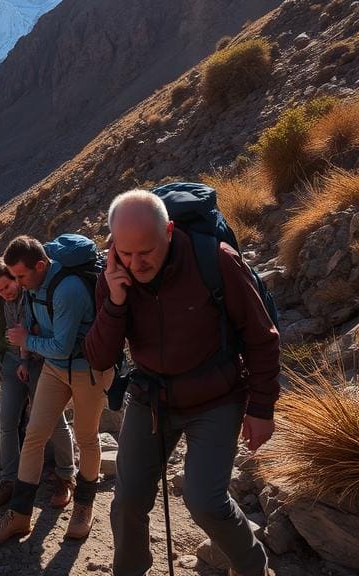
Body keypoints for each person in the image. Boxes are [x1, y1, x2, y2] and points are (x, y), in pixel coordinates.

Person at [85, 190, 280, 576]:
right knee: (127, 502)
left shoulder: (215, 260)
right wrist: (116, 302)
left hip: (216, 397)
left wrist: (261, 408)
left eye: (146, 252)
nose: (136, 263)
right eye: (125, 253)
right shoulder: (113, 277)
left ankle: (254, 567)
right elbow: (99, 357)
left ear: (170, 231)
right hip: (152, 397)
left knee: (206, 501)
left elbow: (261, 336)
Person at [0, 235, 113, 544]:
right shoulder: (32, 285)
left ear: (40, 265)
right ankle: (19, 515)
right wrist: (27, 354)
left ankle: (84, 507)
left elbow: (62, 345)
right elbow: (30, 322)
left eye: (21, 276)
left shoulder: (67, 290)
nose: (16, 284)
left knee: (87, 438)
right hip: (56, 369)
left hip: (86, 369)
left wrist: (26, 342)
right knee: (34, 435)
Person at [0, 258, 77, 509]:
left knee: (54, 419)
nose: (4, 293)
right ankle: (9, 480)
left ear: (15, 277)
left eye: (7, 287)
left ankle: (66, 475)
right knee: (7, 421)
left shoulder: (34, 293)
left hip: (42, 360)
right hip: (10, 361)